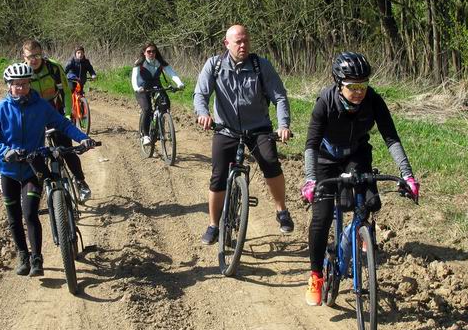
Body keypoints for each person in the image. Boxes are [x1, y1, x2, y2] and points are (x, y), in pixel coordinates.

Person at [300, 52, 420, 306]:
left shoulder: (373, 101)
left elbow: (391, 138)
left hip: (356, 154)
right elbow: (310, 144)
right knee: (321, 218)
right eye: (352, 86)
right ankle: (316, 275)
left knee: (369, 203)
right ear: (339, 83)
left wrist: (407, 175)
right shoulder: (325, 102)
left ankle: (356, 236)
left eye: (363, 85)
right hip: (325, 159)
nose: (358, 91)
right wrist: (311, 179)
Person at [0, 62, 96, 277]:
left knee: (30, 213)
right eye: (16, 85)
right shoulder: (0, 109)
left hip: (33, 167)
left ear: (29, 84)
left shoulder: (41, 106)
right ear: (9, 86)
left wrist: (83, 138)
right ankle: (23, 255)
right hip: (8, 170)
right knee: (13, 217)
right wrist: (5, 151)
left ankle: (37, 258)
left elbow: (63, 124)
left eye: (24, 84)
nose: (21, 88)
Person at [194, 24, 294, 243]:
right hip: (226, 130)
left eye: (246, 41)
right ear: (226, 43)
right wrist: (203, 114)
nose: (243, 45)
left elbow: (279, 97)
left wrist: (283, 125)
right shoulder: (215, 65)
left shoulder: (261, 65)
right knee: (218, 176)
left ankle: (282, 210)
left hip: (258, 129)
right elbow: (200, 94)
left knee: (270, 163)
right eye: (238, 41)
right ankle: (213, 225)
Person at [23, 39, 93, 201]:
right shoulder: (23, 72)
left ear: (42, 54)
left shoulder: (53, 67)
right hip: (34, 115)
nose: (33, 60)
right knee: (33, 154)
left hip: (56, 111)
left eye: (37, 55)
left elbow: (67, 92)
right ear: (23, 57)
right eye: (29, 57)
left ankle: (80, 181)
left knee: (66, 148)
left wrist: (67, 114)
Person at [131, 42, 184, 146]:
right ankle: (145, 135)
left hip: (156, 86)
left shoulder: (159, 62)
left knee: (165, 103)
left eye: (153, 51)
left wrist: (179, 83)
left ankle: (161, 127)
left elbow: (171, 73)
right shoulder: (139, 62)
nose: (151, 53)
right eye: (149, 51)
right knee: (147, 109)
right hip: (142, 88)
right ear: (144, 52)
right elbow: (134, 78)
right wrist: (137, 88)